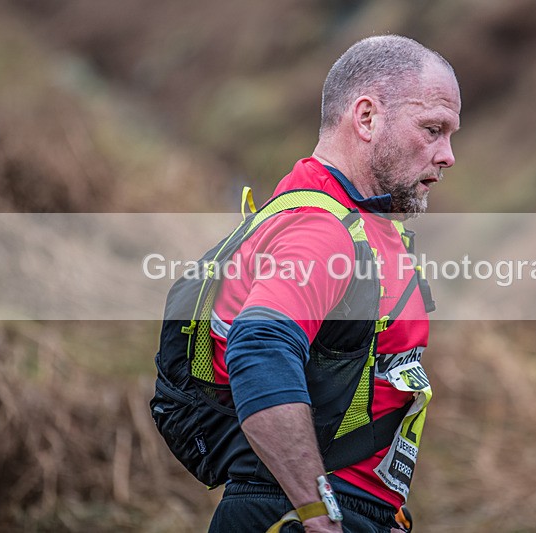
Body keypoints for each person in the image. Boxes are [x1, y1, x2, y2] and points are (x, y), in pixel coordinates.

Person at [207, 34, 460, 533]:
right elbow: (259, 345)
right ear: (366, 118)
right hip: (291, 514)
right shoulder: (321, 229)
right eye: (432, 129)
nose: (448, 155)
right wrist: (317, 512)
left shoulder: (361, 221)